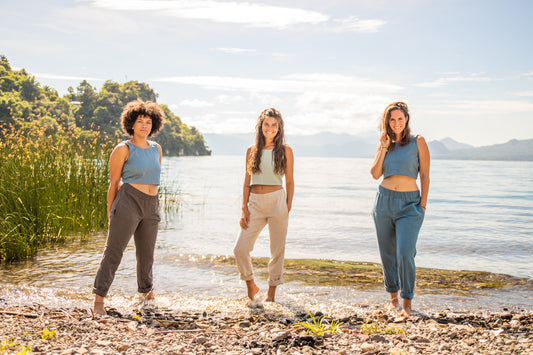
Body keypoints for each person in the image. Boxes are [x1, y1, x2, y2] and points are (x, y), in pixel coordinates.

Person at [92, 99, 165, 316]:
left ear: (154, 125)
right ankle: (99, 300)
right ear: (131, 124)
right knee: (114, 252)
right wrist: (110, 211)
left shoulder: (156, 149)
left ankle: (147, 294)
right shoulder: (123, 149)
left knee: (147, 254)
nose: (144, 125)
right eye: (140, 121)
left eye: (148, 122)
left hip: (151, 205)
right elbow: (114, 184)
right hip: (128, 202)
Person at [370, 101, 430, 317]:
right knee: (388, 253)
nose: (396, 123)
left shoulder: (418, 142)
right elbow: (375, 174)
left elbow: (424, 174)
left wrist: (422, 204)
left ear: (406, 120)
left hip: (409, 204)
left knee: (405, 252)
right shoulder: (384, 144)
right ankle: (393, 299)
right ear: (387, 122)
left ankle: (407, 303)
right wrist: (384, 147)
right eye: (392, 119)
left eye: (400, 119)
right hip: (384, 201)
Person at [233, 108, 294, 302]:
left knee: (277, 250)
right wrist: (244, 209)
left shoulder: (285, 150)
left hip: (277, 201)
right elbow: (246, 182)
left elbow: (290, 181)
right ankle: (251, 284)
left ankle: (271, 293)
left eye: (274, 125)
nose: (270, 128)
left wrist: (287, 205)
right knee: (240, 248)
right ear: (260, 127)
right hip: (255, 203)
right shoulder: (251, 151)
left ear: (279, 128)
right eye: (266, 124)